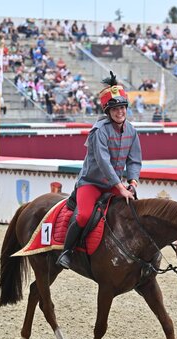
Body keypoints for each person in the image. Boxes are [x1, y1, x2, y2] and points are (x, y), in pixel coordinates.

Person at [57, 71, 142, 269]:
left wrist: (133, 182)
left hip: (117, 184)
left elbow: (134, 160)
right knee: (84, 216)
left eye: (122, 107)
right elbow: (104, 163)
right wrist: (120, 188)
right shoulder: (98, 131)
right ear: (107, 111)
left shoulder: (132, 130)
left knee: (134, 212)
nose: (120, 111)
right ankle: (66, 253)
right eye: (115, 109)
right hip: (91, 183)